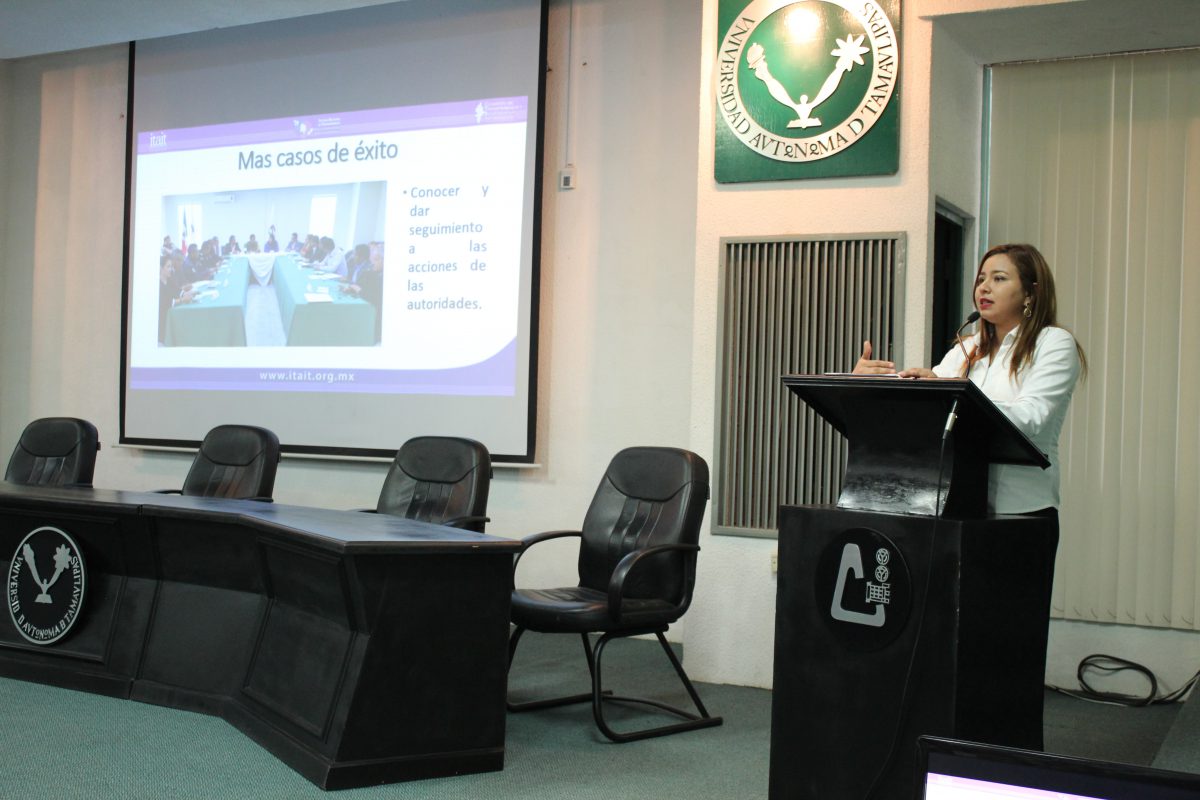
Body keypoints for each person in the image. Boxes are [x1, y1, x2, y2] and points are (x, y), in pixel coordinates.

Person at [854, 243, 1086, 517]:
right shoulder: (968, 347)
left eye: (998, 278)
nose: (983, 288)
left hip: (1019, 510)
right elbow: (923, 406)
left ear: (1030, 293)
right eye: (981, 279)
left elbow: (1029, 418)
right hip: (956, 504)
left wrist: (958, 394)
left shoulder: (1052, 343)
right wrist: (865, 384)